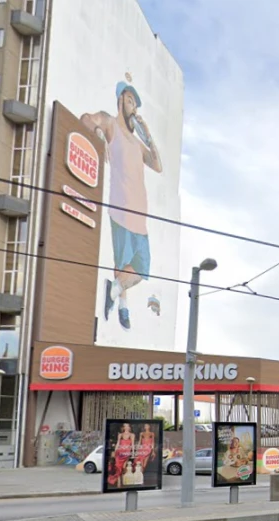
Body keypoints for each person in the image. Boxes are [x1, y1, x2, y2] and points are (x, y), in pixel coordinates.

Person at [81, 74, 164, 331]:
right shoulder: (110, 123)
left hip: (140, 217)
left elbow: (158, 165)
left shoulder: (138, 144)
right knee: (125, 262)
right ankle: (122, 306)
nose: (134, 108)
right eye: (130, 101)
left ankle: (115, 292)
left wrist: (148, 136)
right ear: (120, 101)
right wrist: (97, 134)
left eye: (135, 104)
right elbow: (86, 119)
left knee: (140, 268)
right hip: (121, 209)